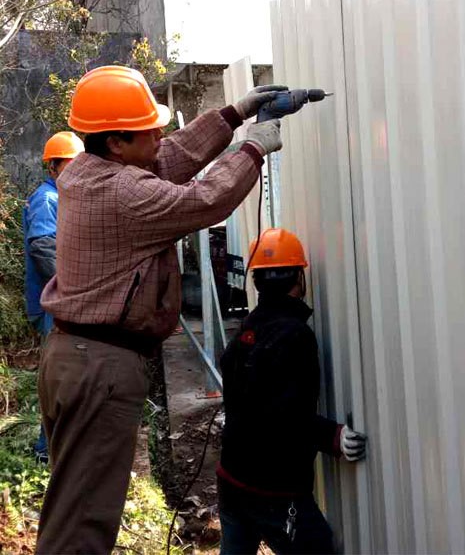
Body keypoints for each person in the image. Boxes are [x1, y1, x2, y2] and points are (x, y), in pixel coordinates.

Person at [35, 65, 285, 555]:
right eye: (148, 127)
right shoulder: (124, 192)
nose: (159, 133)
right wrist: (253, 148)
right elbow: (206, 200)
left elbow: (170, 156)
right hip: (100, 369)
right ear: (116, 144)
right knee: (84, 523)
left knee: (71, 504)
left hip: (75, 357)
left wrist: (234, 114)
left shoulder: (88, 171)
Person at [218, 228, 367, 555]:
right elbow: (281, 416)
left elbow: (248, 398)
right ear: (299, 278)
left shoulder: (250, 328)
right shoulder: (294, 335)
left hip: (231, 478)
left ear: (255, 281)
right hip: (272, 490)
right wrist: (332, 435)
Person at [22, 131, 84, 463]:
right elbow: (42, 248)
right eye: (69, 166)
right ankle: (46, 452)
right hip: (54, 303)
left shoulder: (60, 197)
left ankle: (54, 449)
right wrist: (72, 289)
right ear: (54, 167)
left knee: (65, 376)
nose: (75, 172)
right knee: (61, 379)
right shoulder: (48, 200)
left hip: (56, 299)